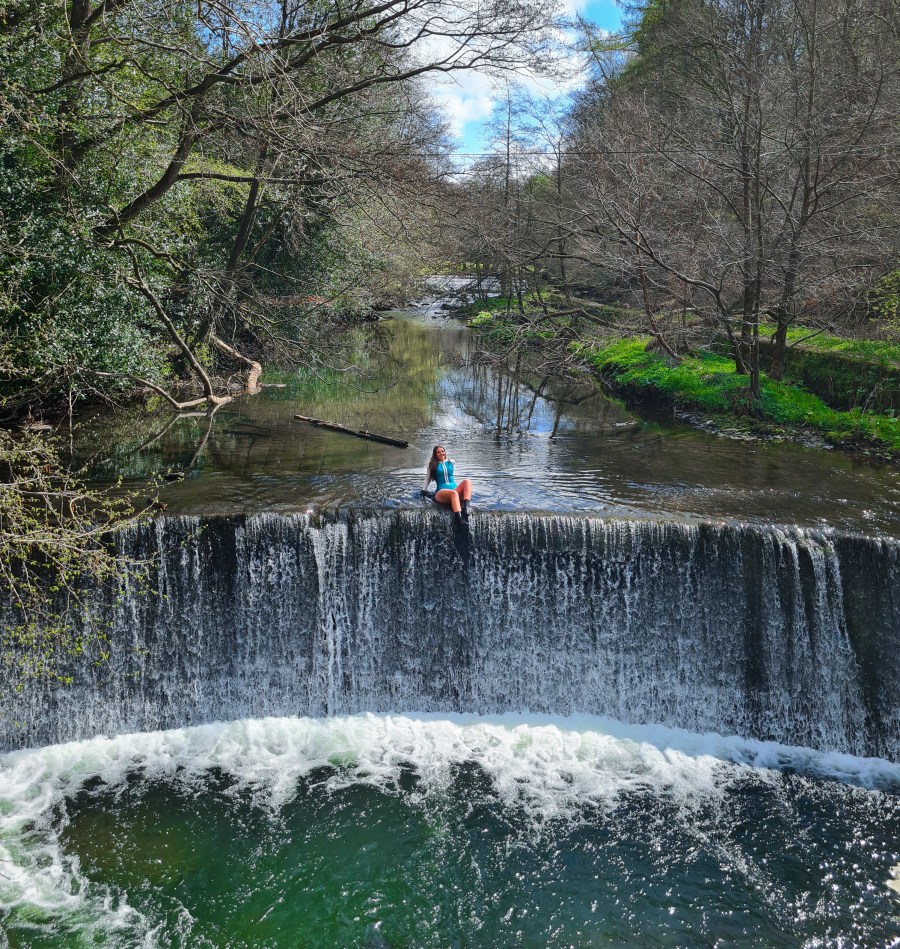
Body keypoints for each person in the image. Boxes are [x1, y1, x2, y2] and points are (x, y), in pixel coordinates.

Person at [423, 445, 472, 524]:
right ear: (435, 454)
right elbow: (427, 479)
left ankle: (465, 509)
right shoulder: (432, 466)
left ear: (445, 452)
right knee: (454, 493)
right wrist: (423, 490)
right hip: (441, 493)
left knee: (467, 481)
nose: (441, 453)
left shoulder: (451, 462)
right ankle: (459, 520)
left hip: (455, 491)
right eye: (438, 452)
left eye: (442, 451)